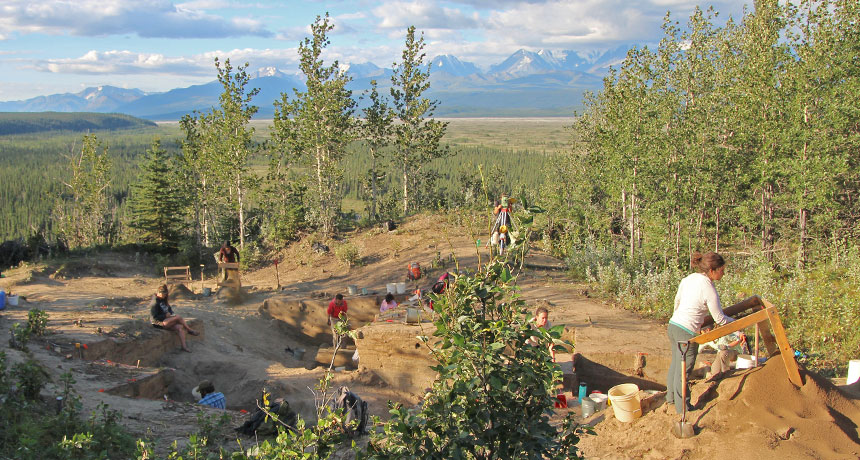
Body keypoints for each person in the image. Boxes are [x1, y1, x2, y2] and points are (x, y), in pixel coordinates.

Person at [666, 252, 734, 414]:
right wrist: (737, 323)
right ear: (712, 270)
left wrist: (694, 323)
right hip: (686, 332)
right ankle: (683, 409)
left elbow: (678, 302)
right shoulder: (708, 288)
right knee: (684, 371)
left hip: (674, 325)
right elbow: (720, 318)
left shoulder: (689, 279)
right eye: (722, 270)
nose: (723, 273)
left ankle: (671, 399)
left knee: (676, 364)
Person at [149, 284, 199, 352]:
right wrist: (165, 316)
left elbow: (169, 310)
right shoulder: (154, 303)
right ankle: (189, 330)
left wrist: (172, 314)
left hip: (167, 320)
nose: (164, 295)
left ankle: (184, 347)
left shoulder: (164, 300)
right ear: (158, 293)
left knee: (180, 327)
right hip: (158, 323)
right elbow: (154, 318)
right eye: (163, 294)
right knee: (178, 317)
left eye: (165, 294)